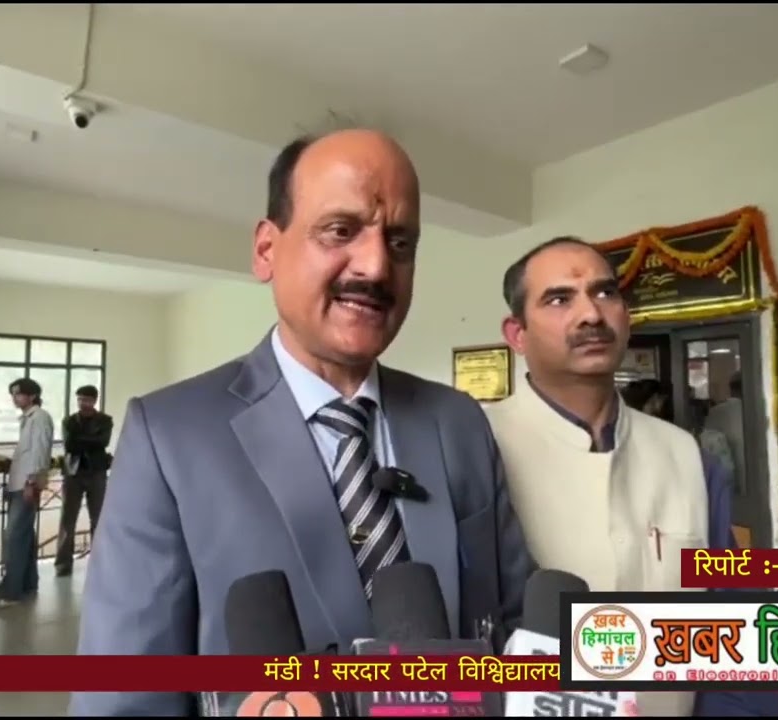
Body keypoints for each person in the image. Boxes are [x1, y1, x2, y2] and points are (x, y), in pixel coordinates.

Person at [71, 129, 534, 716]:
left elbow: (517, 627)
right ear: (267, 249)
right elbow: (125, 697)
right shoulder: (168, 436)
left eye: (400, 242)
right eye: (340, 230)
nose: (376, 266)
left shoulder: (458, 421)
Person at [484, 237, 778, 717]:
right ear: (517, 334)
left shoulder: (685, 454)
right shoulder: (474, 446)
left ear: (626, 315)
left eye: (605, 293)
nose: (591, 315)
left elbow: (733, 629)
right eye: (559, 299)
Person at [0, 378, 53, 610]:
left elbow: (40, 451)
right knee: (24, 535)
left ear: (32, 396)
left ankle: (10, 592)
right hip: (19, 483)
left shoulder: (39, 417)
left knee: (14, 536)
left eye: (18, 393)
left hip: (26, 484)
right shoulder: (28, 418)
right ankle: (28, 583)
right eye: (12, 393)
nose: (14, 398)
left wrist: (32, 481)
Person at [55, 385, 113, 577]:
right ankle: (63, 564)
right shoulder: (69, 421)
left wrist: (82, 440)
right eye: (80, 399)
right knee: (67, 519)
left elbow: (103, 442)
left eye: (87, 400)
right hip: (73, 472)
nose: (83, 403)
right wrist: (91, 440)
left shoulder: (105, 420)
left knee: (98, 517)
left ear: (95, 401)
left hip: (97, 472)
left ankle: (99, 562)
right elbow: (70, 445)